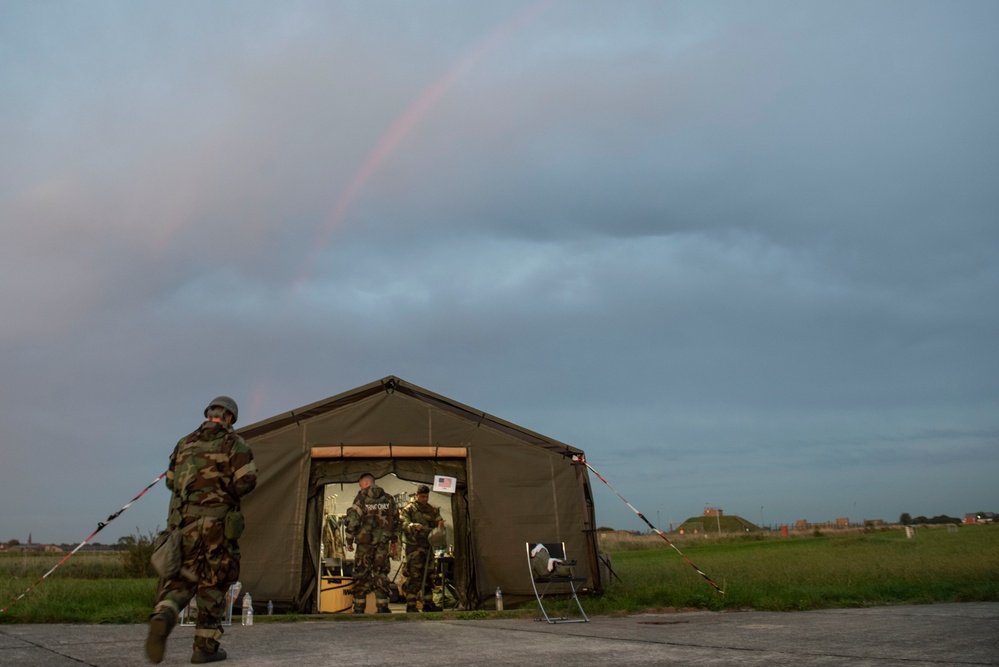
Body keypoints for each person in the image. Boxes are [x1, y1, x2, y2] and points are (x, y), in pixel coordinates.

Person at [146, 396, 258, 665]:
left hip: (185, 527)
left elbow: (171, 482)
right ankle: (204, 647)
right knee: (214, 583)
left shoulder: (184, 443)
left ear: (209, 414)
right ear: (230, 417)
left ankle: (165, 612)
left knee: (183, 577)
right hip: (217, 528)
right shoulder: (235, 444)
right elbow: (247, 482)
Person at [343, 473, 399, 613]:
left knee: (362, 573)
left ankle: (359, 608)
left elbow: (353, 521)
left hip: (364, 544)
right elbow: (397, 521)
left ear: (366, 483)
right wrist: (394, 541)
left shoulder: (361, 498)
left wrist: (349, 540)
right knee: (381, 573)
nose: (360, 487)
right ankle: (382, 607)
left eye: (361, 484)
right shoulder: (388, 498)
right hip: (382, 543)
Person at [399, 484, 445, 612]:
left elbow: (438, 521)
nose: (425, 499)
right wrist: (414, 526)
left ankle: (428, 603)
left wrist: (440, 524)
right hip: (414, 548)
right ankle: (411, 604)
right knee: (414, 576)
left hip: (428, 547)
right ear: (417, 495)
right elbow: (403, 524)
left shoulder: (432, 509)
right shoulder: (409, 509)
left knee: (429, 575)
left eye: (427, 497)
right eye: (423, 497)